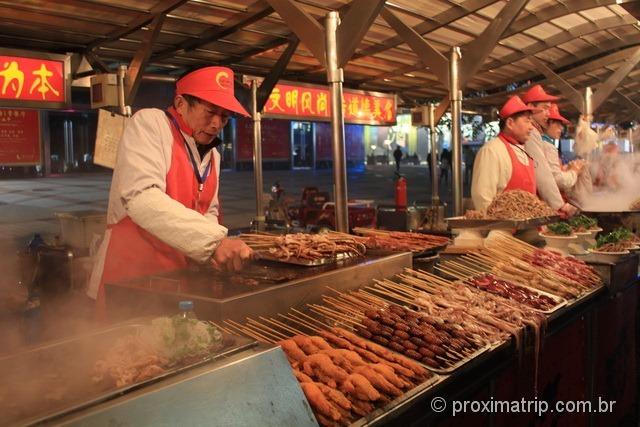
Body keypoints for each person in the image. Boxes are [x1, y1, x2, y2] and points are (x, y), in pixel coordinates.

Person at [88, 66, 254, 310]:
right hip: (129, 278)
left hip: (177, 280)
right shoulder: (150, 124)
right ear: (180, 103)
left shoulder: (213, 156)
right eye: (210, 112)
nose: (217, 123)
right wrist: (214, 243)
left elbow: (208, 210)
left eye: (225, 116)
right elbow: (142, 197)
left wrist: (216, 252)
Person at [471, 96, 538, 211]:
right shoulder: (491, 150)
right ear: (510, 123)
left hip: (527, 224)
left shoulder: (524, 151)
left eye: (531, 122)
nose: (531, 127)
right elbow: (483, 198)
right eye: (527, 121)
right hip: (501, 226)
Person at [521, 84, 577, 218]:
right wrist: (560, 205)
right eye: (545, 108)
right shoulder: (533, 133)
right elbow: (543, 173)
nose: (548, 113)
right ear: (531, 106)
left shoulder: (535, 133)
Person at [541, 104, 586, 193]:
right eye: (558, 124)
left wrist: (567, 168)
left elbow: (551, 173)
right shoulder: (547, 146)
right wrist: (574, 171)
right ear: (547, 123)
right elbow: (559, 181)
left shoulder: (545, 143)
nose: (561, 128)